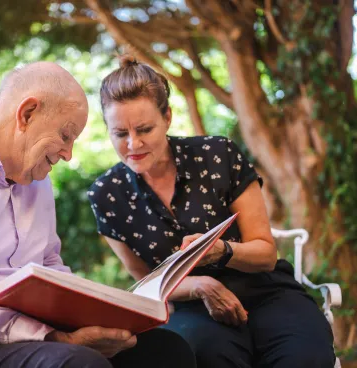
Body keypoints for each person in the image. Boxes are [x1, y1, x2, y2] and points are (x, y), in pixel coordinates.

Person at [0, 62, 196, 368]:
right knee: (78, 363)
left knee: (166, 350)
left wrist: (101, 318)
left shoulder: (35, 178)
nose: (69, 155)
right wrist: (51, 336)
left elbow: (50, 269)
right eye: (66, 136)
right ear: (27, 114)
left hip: (20, 341)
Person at [88, 56, 336, 368]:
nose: (133, 144)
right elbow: (144, 280)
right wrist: (201, 286)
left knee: (304, 358)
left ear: (167, 117)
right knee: (208, 357)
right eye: (120, 134)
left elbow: (265, 254)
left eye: (144, 129)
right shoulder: (106, 194)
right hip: (194, 309)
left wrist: (220, 251)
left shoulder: (217, 154)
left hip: (268, 292)